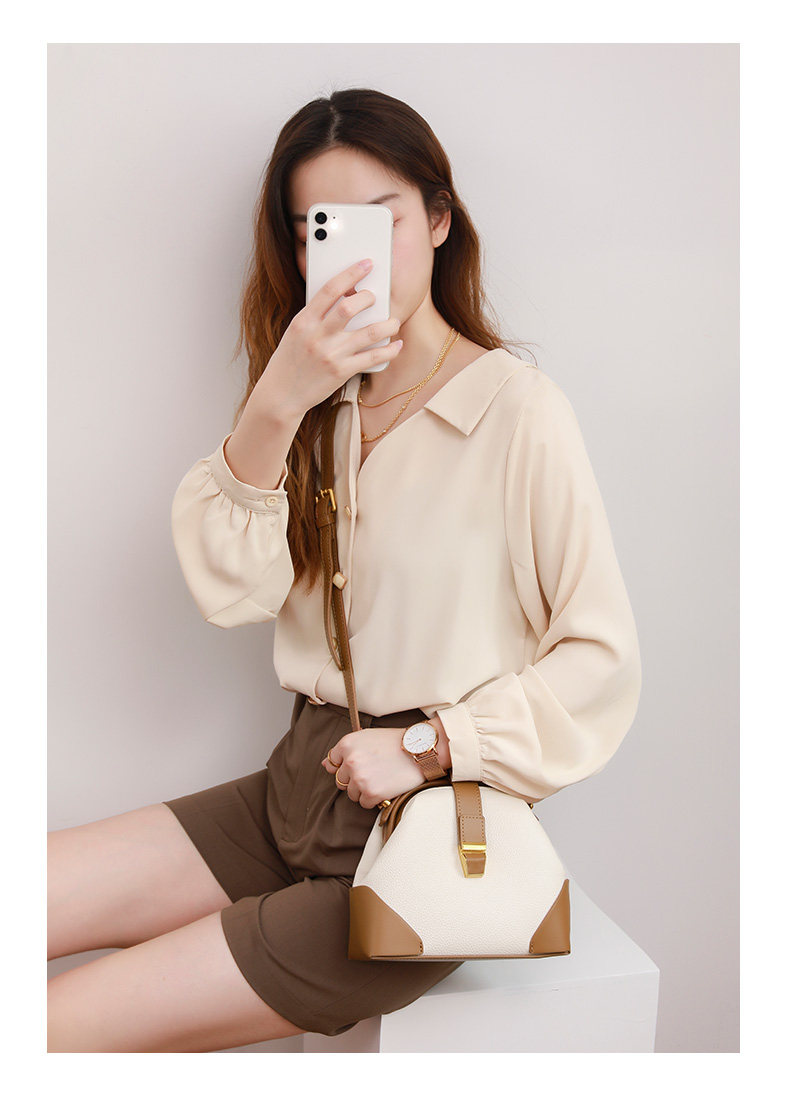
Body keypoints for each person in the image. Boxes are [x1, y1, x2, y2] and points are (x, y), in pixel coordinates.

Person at [47, 87, 642, 1052]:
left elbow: (600, 659)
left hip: (417, 839)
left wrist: (429, 746)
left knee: (52, 1025)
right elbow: (233, 593)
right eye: (318, 230)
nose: (355, 255)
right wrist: (279, 398)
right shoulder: (316, 407)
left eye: (382, 220)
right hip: (294, 785)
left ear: (440, 220)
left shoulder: (517, 412)